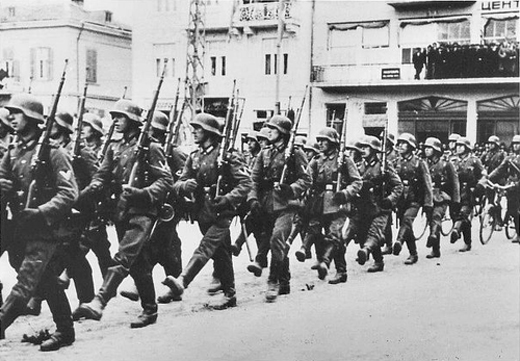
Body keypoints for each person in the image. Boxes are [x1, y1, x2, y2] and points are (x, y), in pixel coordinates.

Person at [74, 99, 173, 328]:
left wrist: (143, 193)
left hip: (143, 211)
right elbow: (101, 176)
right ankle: (150, 310)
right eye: (114, 117)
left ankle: (100, 301)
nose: (115, 121)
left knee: (124, 256)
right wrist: (85, 194)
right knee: (138, 262)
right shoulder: (114, 147)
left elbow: (165, 180)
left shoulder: (151, 147)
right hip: (121, 210)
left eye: (120, 117)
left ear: (132, 121)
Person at [0, 93, 78, 351]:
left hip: (44, 229)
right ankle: (66, 331)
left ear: (32, 118)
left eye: (17, 112)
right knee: (44, 279)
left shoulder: (55, 154)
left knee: (26, 283)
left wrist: (43, 211)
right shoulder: (14, 151)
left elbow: (69, 193)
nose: (10, 116)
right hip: (19, 228)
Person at [163, 113, 252, 310]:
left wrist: (229, 198)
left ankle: (182, 281)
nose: (194, 132)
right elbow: (177, 182)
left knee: (206, 247)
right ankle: (230, 295)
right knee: (220, 253)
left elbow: (246, 182)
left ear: (210, 133)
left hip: (223, 210)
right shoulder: (195, 156)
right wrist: (185, 185)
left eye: (199, 129)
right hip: (202, 210)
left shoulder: (227, 155)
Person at [246, 115, 311, 302]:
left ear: (282, 133)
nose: (269, 132)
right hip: (266, 205)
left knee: (276, 239)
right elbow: (253, 179)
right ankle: (285, 280)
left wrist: (291, 189)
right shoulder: (264, 153)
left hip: (286, 205)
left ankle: (273, 280)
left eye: (273, 129)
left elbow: (306, 179)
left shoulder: (295, 154)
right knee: (272, 241)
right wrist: (252, 199)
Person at [300, 127, 362, 283]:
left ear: (332, 142)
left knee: (334, 234)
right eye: (319, 140)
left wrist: (346, 193)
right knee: (316, 231)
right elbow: (306, 180)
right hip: (319, 203)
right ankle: (340, 270)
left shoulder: (344, 159)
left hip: (337, 203)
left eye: (324, 141)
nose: (320, 143)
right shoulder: (316, 160)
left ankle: (326, 263)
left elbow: (357, 181)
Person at [349, 135, 403, 272]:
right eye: (361, 147)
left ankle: (366, 250)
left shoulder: (384, 166)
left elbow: (398, 186)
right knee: (362, 233)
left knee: (374, 233)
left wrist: (390, 200)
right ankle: (378, 261)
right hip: (364, 206)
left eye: (366, 147)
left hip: (381, 207)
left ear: (373, 150)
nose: (362, 150)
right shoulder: (359, 166)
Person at [392, 133, 433, 265]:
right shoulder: (396, 162)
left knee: (407, 219)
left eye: (404, 143)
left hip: (415, 198)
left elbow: (427, 184)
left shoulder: (419, 163)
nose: (400, 146)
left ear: (410, 146)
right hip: (400, 199)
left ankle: (399, 241)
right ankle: (413, 254)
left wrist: (428, 203)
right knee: (407, 226)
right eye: (399, 143)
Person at [423, 137, 460, 258]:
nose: (426, 150)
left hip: (442, 196)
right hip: (429, 196)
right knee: (431, 219)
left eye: (429, 148)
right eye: (426, 148)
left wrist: (456, 201)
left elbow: (455, 182)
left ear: (436, 150)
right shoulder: (424, 163)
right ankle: (436, 249)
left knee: (436, 216)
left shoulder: (446, 163)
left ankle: (433, 235)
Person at [450, 137, 486, 252]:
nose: (458, 148)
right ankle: (459, 230)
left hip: (469, 192)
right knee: (454, 214)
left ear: (466, 148)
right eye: (457, 146)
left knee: (463, 214)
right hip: (455, 192)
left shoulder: (474, 161)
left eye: (461, 146)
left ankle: (461, 236)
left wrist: (479, 187)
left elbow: (484, 175)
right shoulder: (452, 160)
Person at [488, 135, 520, 243]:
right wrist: (488, 177)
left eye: (518, 144)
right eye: (514, 144)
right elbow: (499, 169)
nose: (516, 146)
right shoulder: (509, 157)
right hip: (512, 187)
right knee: (513, 210)